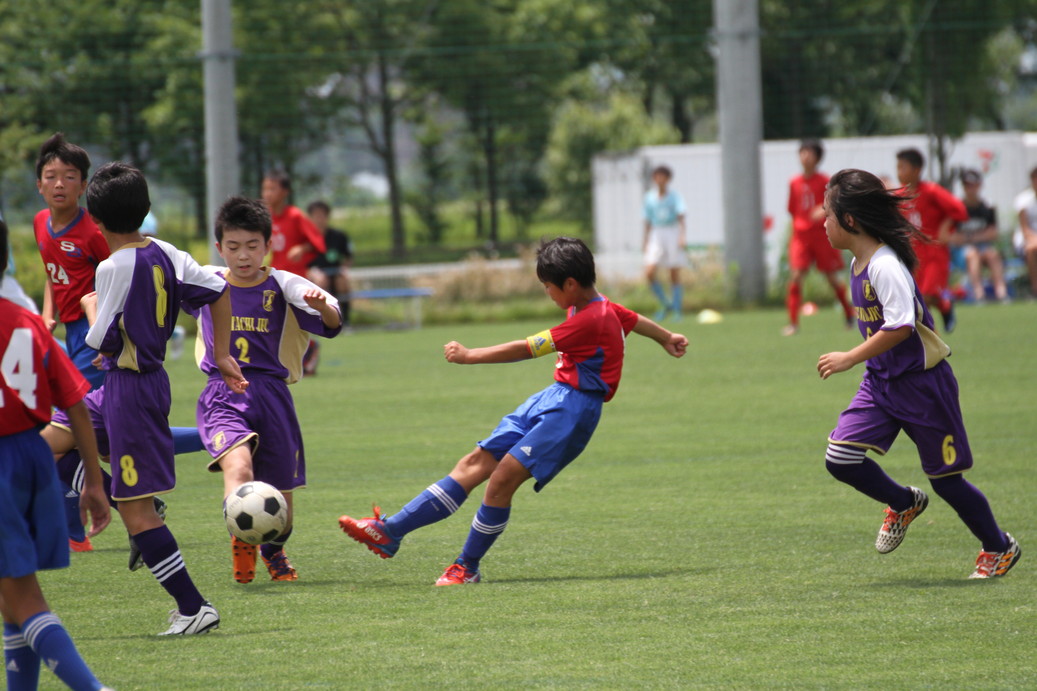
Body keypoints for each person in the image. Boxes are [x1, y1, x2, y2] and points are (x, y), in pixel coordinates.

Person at [339, 237, 688, 585]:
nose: (547, 293)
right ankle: (390, 531)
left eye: (548, 287)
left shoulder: (590, 319)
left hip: (574, 410)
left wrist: (469, 355)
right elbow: (632, 319)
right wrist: (665, 336)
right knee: (475, 462)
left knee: (502, 478)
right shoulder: (596, 306)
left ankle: (466, 567)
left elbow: (526, 348)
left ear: (570, 284)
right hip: (553, 397)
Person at [817, 168, 1020, 580]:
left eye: (828, 215)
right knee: (840, 458)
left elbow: (901, 326)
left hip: (923, 386)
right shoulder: (858, 262)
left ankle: (999, 546)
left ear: (850, 220)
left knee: (947, 481)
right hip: (881, 382)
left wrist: (850, 357)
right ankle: (903, 501)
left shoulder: (884, 265)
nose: (823, 223)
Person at [82, 161, 247, 635]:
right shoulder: (167, 251)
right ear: (145, 209)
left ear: (95, 219)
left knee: (138, 514)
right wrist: (221, 352)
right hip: (136, 385)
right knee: (50, 439)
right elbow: (219, 290)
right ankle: (123, 502)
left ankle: (194, 609)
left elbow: (100, 341)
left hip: (130, 389)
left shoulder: (111, 267)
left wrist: (92, 307)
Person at [189, 196, 342, 584]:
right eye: (233, 246)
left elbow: (333, 319)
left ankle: (273, 551)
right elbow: (153, 287)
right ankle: (241, 538)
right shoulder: (204, 281)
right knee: (239, 467)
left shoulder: (284, 284)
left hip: (272, 396)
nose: (243, 255)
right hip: (223, 392)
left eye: (252, 245)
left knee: (282, 508)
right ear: (219, 247)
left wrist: (323, 308)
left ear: (268, 245)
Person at [0, 218, 114, 691]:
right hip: (33, 457)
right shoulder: (28, 322)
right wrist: (94, 482)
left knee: (23, 599)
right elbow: (76, 404)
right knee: (11, 599)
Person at [33, 133, 109, 389]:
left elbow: (119, 279)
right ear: (39, 184)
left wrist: (105, 335)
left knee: (75, 405)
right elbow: (52, 273)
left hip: (92, 329)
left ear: (83, 185)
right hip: (70, 331)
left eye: (69, 177)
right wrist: (47, 316)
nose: (59, 184)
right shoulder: (39, 222)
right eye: (50, 176)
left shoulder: (93, 232)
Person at [783, 139, 855, 336]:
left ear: (817, 158)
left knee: (832, 278)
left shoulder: (825, 181)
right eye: (802, 152)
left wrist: (822, 210)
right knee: (796, 277)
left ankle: (849, 315)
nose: (805, 156)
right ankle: (793, 323)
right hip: (801, 237)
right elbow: (792, 209)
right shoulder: (794, 182)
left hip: (822, 236)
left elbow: (835, 204)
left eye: (810, 153)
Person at [894, 148, 968, 332]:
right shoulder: (899, 196)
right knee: (919, 299)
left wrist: (945, 227)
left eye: (903, 167)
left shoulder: (931, 191)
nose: (899, 172)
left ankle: (931, 344)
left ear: (917, 169)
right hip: (913, 257)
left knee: (924, 300)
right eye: (898, 167)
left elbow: (959, 210)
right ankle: (945, 305)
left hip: (935, 254)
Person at [261, 171, 326, 374]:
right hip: (274, 276)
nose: (267, 193)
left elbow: (318, 243)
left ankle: (309, 350)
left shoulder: (295, 216)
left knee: (294, 320)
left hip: (295, 278)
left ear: (285, 192)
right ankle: (281, 361)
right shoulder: (265, 217)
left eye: (272, 188)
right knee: (272, 319)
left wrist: (302, 248)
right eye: (265, 188)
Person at [951, 169, 1008, 303]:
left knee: (992, 254)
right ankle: (979, 294)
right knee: (972, 254)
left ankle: (1002, 293)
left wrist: (969, 237)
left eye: (973, 185)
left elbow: (993, 233)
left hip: (983, 248)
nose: (970, 189)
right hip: (962, 253)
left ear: (979, 185)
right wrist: (980, 236)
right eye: (967, 185)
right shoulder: (957, 207)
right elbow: (953, 236)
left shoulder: (988, 206)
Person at [642, 165, 687, 320]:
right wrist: (645, 240)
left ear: (668, 179)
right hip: (656, 233)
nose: (660, 179)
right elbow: (647, 220)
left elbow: (681, 216)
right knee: (649, 271)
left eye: (663, 176)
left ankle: (677, 310)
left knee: (673, 271)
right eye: (657, 176)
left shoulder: (675, 197)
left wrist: (682, 236)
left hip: (672, 231)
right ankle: (666, 303)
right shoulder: (649, 197)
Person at [306, 200, 353, 326]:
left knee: (342, 282)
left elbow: (348, 257)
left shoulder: (339, 236)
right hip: (315, 273)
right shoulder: (305, 237)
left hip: (335, 271)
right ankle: (321, 320)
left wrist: (343, 269)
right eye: (316, 216)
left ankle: (345, 320)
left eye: (322, 215)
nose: (319, 219)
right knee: (321, 281)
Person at [1013, 165, 1037, 298]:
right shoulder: (1023, 200)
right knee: (1032, 249)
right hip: (1026, 241)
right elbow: (1025, 230)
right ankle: (1035, 289)